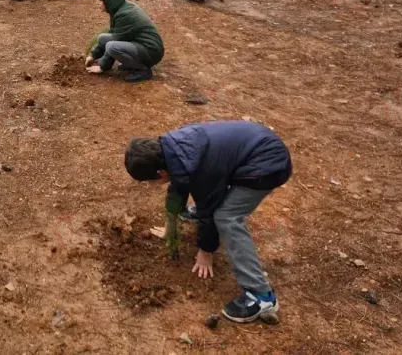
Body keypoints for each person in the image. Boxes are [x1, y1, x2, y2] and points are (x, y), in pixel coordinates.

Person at [123, 121, 292, 323]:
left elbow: (209, 211)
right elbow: (179, 183)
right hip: (251, 148)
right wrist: (171, 226)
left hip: (268, 165)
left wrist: (205, 251)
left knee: (224, 216)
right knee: (209, 204)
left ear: (160, 173)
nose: (152, 186)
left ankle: (261, 296)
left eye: (150, 182)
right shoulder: (171, 148)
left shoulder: (201, 169)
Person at [85, 0, 164, 81]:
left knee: (112, 47)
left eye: (101, 0)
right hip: (142, 45)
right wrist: (93, 55)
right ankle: (133, 64)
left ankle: (143, 70)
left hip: (151, 51)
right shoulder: (120, 8)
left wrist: (102, 66)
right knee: (102, 38)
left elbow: (114, 40)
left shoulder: (125, 14)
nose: (98, 3)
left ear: (110, 0)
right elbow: (113, 34)